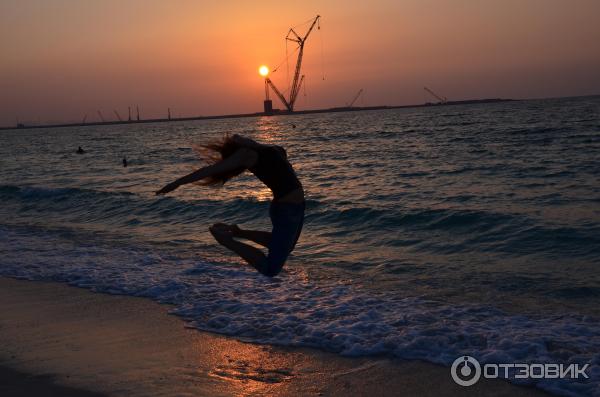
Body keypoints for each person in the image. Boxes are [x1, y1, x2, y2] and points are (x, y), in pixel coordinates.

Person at [156, 134, 305, 277]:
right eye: (236, 140)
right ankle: (226, 241)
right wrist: (176, 183)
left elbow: (258, 148)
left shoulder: (270, 149)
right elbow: (209, 170)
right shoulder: (246, 155)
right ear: (237, 149)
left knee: (286, 246)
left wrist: (247, 142)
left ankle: (237, 232)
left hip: (296, 207)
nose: (238, 136)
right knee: (270, 269)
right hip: (286, 209)